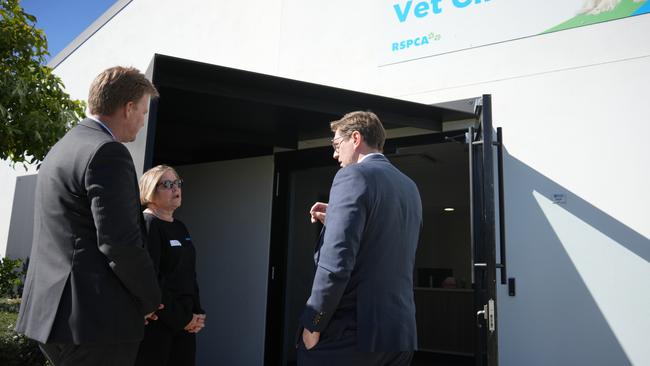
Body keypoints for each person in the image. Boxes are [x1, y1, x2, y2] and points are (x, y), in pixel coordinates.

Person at [15, 66, 163, 366]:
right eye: (143, 113)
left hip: (51, 317)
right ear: (128, 107)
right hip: (94, 322)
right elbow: (119, 243)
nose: (143, 121)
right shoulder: (108, 152)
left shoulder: (61, 148)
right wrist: (149, 299)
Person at [298, 111, 423, 366]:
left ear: (355, 138)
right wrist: (337, 219)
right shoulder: (410, 187)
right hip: (399, 335)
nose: (334, 154)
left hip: (352, 336)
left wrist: (313, 323)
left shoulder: (352, 176)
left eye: (336, 145)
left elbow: (336, 264)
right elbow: (383, 242)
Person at [135, 165, 206, 366]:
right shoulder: (148, 225)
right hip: (160, 324)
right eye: (167, 184)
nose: (176, 189)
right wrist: (182, 318)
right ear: (150, 190)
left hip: (186, 323)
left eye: (177, 183)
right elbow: (152, 280)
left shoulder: (180, 226)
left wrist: (197, 313)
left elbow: (189, 274)